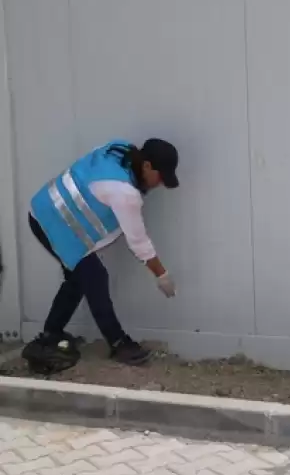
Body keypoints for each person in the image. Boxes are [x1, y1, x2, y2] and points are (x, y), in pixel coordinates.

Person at [22, 138, 179, 372]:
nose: (160, 184)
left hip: (44, 207)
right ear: (146, 166)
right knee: (94, 277)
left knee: (79, 279)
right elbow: (138, 242)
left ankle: (51, 334)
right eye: (160, 176)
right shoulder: (124, 191)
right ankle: (118, 343)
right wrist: (161, 274)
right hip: (51, 221)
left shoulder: (120, 150)